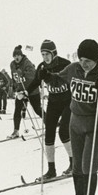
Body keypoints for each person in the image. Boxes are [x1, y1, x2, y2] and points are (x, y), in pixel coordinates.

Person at [39, 39, 98, 195]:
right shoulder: (73, 69)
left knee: (87, 165)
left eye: (89, 61)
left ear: (96, 60)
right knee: (76, 166)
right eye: (82, 59)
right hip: (75, 123)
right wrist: (46, 75)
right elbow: (58, 79)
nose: (84, 64)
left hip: (96, 126)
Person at [28, 39, 73, 179]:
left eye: (47, 54)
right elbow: (35, 82)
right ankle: (51, 170)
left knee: (64, 131)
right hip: (53, 102)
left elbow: (71, 79)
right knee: (49, 134)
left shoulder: (65, 64)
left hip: (68, 102)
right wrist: (25, 92)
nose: (45, 57)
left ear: (54, 53)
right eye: (42, 54)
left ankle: (74, 164)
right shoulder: (42, 67)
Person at [8, 45, 42, 139]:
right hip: (21, 90)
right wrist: (15, 86)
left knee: (37, 109)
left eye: (18, 55)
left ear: (21, 55)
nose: (16, 57)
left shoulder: (27, 63)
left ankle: (50, 124)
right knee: (17, 110)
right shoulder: (12, 64)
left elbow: (33, 76)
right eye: (14, 56)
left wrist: (23, 74)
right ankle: (16, 131)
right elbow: (14, 77)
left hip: (32, 90)